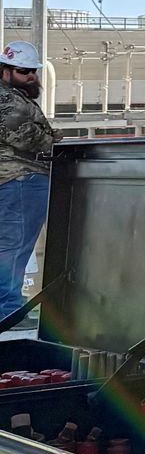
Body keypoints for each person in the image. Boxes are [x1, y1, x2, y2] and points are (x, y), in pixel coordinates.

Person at [0, 41, 54, 313]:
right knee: (14, 246)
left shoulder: (13, 96)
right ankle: (7, 310)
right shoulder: (7, 99)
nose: (31, 76)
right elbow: (24, 136)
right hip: (20, 179)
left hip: (14, 181)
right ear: (5, 70)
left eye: (33, 71)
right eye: (24, 71)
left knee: (13, 246)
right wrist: (55, 139)